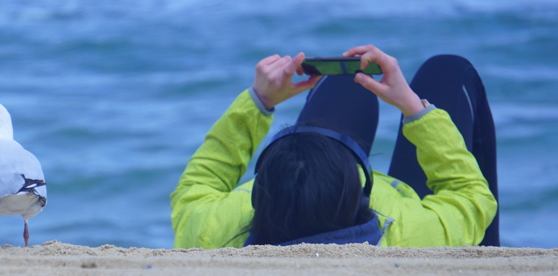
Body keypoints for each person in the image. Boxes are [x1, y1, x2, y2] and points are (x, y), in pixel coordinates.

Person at [170, 45, 499, 249]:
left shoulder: (214, 231)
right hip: (406, 201)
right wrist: (414, 108)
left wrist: (260, 101)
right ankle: (489, 259)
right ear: (360, 191)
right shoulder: (407, 235)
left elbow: (199, 183)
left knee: (346, 77)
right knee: (448, 70)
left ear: (259, 196)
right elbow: (473, 197)